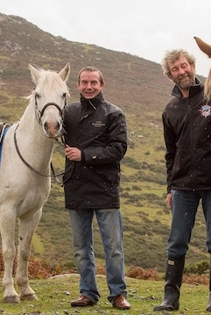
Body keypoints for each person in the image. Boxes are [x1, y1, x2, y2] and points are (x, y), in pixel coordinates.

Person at [154, 49, 211, 312]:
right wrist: (170, 188)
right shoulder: (170, 109)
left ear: (193, 65)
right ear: (170, 75)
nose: (182, 71)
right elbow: (170, 153)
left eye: (184, 65)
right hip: (182, 187)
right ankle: (170, 297)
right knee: (176, 241)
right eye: (175, 69)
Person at [62, 66, 130, 310]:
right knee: (81, 248)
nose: (88, 87)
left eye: (93, 82)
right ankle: (87, 293)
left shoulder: (114, 114)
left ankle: (118, 294)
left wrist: (84, 155)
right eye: (84, 82)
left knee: (113, 248)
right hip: (75, 186)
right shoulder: (68, 113)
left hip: (105, 188)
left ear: (102, 85)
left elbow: (118, 149)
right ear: (78, 85)